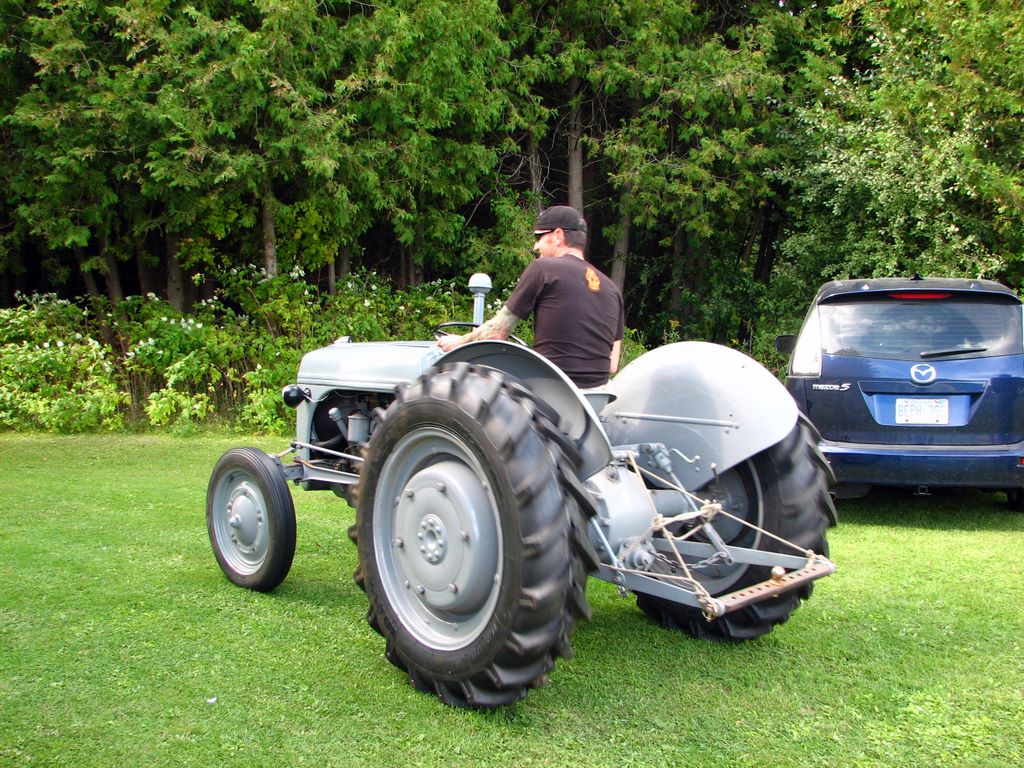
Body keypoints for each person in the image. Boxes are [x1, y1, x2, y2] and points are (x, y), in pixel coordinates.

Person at [438, 205, 624, 388]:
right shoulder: (612, 289)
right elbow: (612, 364)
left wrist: (459, 342)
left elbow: (497, 333)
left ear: (558, 236)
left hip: (549, 390)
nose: (535, 246)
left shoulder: (543, 268)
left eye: (539, 237)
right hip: (596, 395)